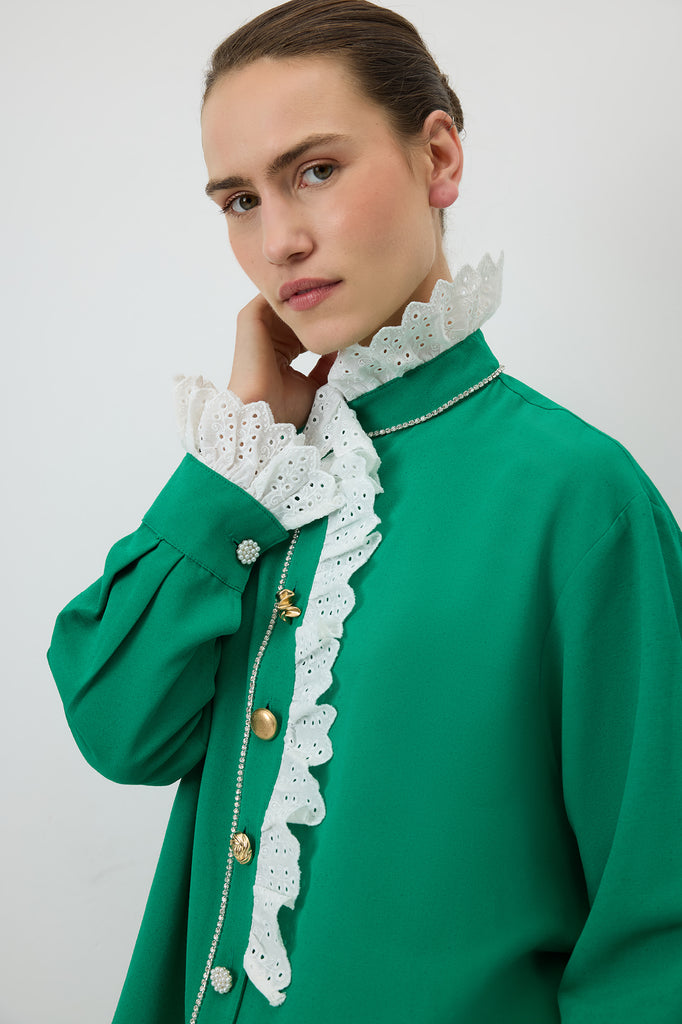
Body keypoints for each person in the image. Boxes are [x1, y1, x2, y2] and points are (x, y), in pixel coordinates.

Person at [48, 0, 682, 1021]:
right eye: (239, 200)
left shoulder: (580, 499)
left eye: (315, 171)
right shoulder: (261, 486)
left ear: (439, 158)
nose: (279, 240)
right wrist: (236, 461)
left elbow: (656, 926)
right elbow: (119, 730)